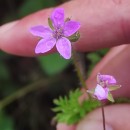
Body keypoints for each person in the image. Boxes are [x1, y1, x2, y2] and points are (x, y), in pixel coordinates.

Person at [0, 0, 130, 129]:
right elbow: (41, 36)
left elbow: (73, 26)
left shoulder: (68, 33)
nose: (57, 32)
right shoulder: (54, 38)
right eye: (55, 31)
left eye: (59, 31)